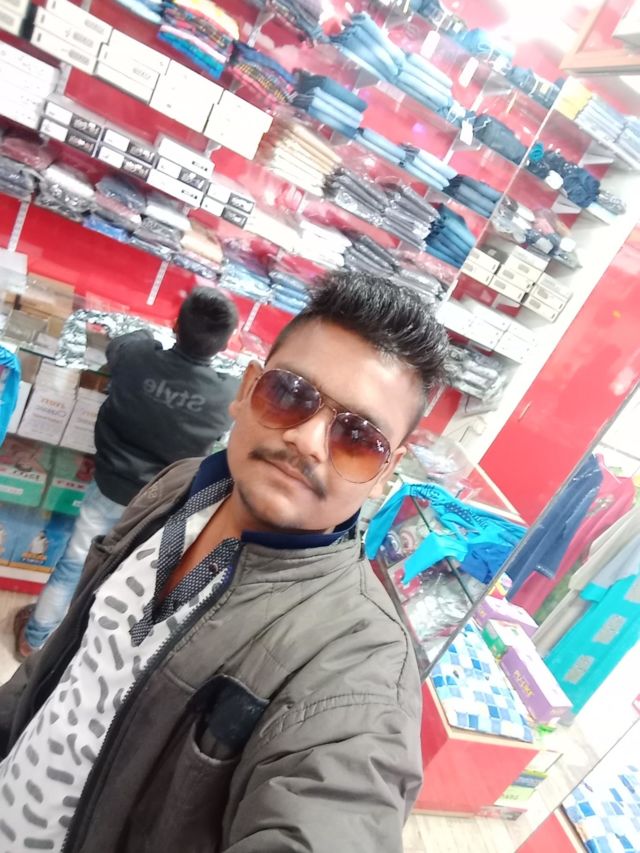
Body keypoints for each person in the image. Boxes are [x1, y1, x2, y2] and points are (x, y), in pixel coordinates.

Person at [0, 272, 448, 852]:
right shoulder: (180, 489)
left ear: (386, 471)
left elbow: (331, 813)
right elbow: (73, 659)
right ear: (247, 388)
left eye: (358, 438)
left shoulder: (358, 665)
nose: (308, 440)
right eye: (291, 393)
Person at [14, 286, 239, 659]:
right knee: (127, 580)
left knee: (76, 563)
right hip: (162, 504)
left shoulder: (137, 357)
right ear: (225, 345)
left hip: (110, 486)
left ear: (176, 324)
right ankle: (80, 652)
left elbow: (126, 338)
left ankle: (35, 639)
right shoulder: (227, 395)